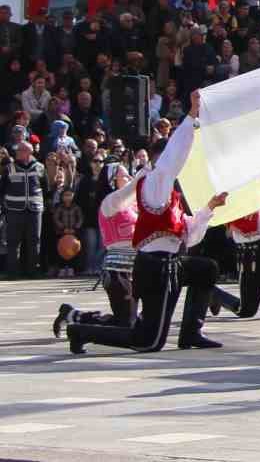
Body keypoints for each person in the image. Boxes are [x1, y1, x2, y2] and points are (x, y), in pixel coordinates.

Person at [64, 94, 228, 354]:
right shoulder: (154, 182)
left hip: (170, 262)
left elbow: (189, 235)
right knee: (148, 341)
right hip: (154, 268)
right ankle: (80, 331)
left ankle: (191, 332)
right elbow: (173, 157)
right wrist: (191, 118)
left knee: (206, 269)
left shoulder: (169, 195)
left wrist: (209, 208)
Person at [53, 161, 137, 337]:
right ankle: (79, 331)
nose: (129, 177)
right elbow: (137, 185)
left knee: (130, 322)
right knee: (127, 325)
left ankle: (73, 315)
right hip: (117, 272)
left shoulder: (132, 205)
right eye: (124, 175)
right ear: (113, 180)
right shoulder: (110, 202)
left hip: (136, 270)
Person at [3, 139, 46, 276]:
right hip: (14, 209)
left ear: (28, 152)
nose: (16, 152)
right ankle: (13, 272)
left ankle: (34, 270)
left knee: (34, 240)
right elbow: (2, 188)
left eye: (20, 150)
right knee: (13, 241)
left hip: (35, 209)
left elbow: (45, 187)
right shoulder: (9, 168)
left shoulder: (40, 167)